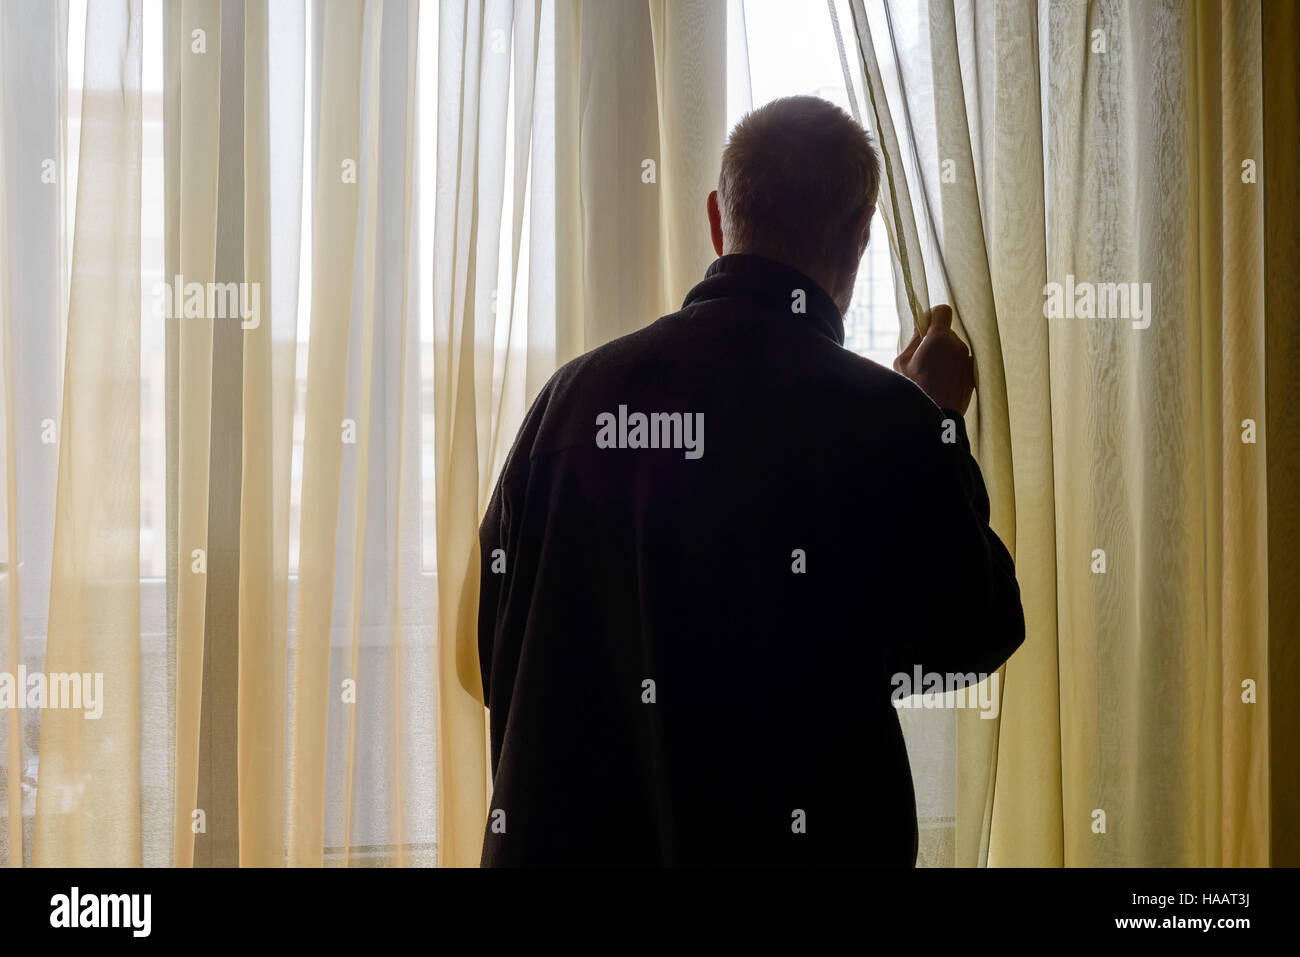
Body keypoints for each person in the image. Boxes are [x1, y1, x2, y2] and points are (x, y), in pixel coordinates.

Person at [477, 95, 1024, 866]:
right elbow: (977, 629)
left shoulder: (567, 405)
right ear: (861, 239)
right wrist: (937, 423)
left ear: (716, 218)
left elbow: (498, 646)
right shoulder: (882, 424)